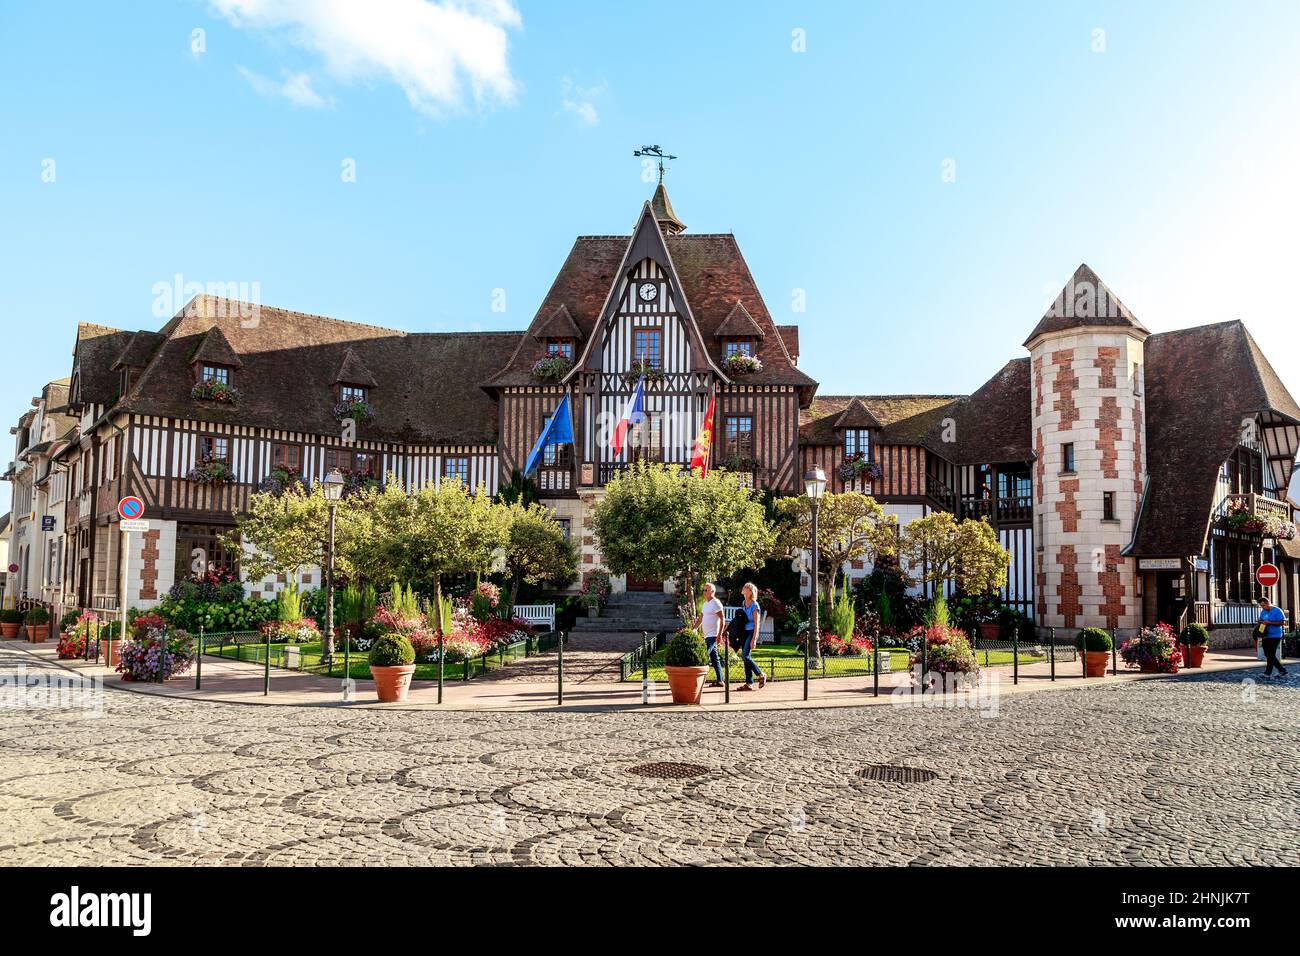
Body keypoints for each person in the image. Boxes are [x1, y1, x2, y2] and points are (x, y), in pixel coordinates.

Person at [736, 582, 766, 691]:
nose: (743, 588)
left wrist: (754, 639)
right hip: (744, 633)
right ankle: (749, 683)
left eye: (745, 587)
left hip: (751, 632)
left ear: (750, 591)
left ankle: (760, 674)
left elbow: (756, 623)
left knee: (745, 656)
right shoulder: (744, 603)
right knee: (746, 658)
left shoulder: (754, 605)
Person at [697, 582, 726, 688]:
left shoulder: (716, 603)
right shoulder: (706, 604)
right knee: (714, 658)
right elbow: (701, 617)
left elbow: (722, 619)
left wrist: (719, 635)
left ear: (712, 592)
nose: (704, 592)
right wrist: (695, 628)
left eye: (706, 590)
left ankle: (699, 680)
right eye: (703, 590)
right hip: (707, 635)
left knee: (705, 656)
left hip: (713, 635)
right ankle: (720, 680)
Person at [1257, 596, 1288, 678]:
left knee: (1271, 654)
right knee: (1268, 654)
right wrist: (1260, 621)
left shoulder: (1277, 610)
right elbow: (1261, 620)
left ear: (1268, 603)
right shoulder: (1263, 611)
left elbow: (1283, 623)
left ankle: (1267, 673)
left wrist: (1269, 623)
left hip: (1275, 635)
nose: (1262, 607)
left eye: (1263, 605)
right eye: (1261, 606)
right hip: (1265, 635)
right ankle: (1282, 670)